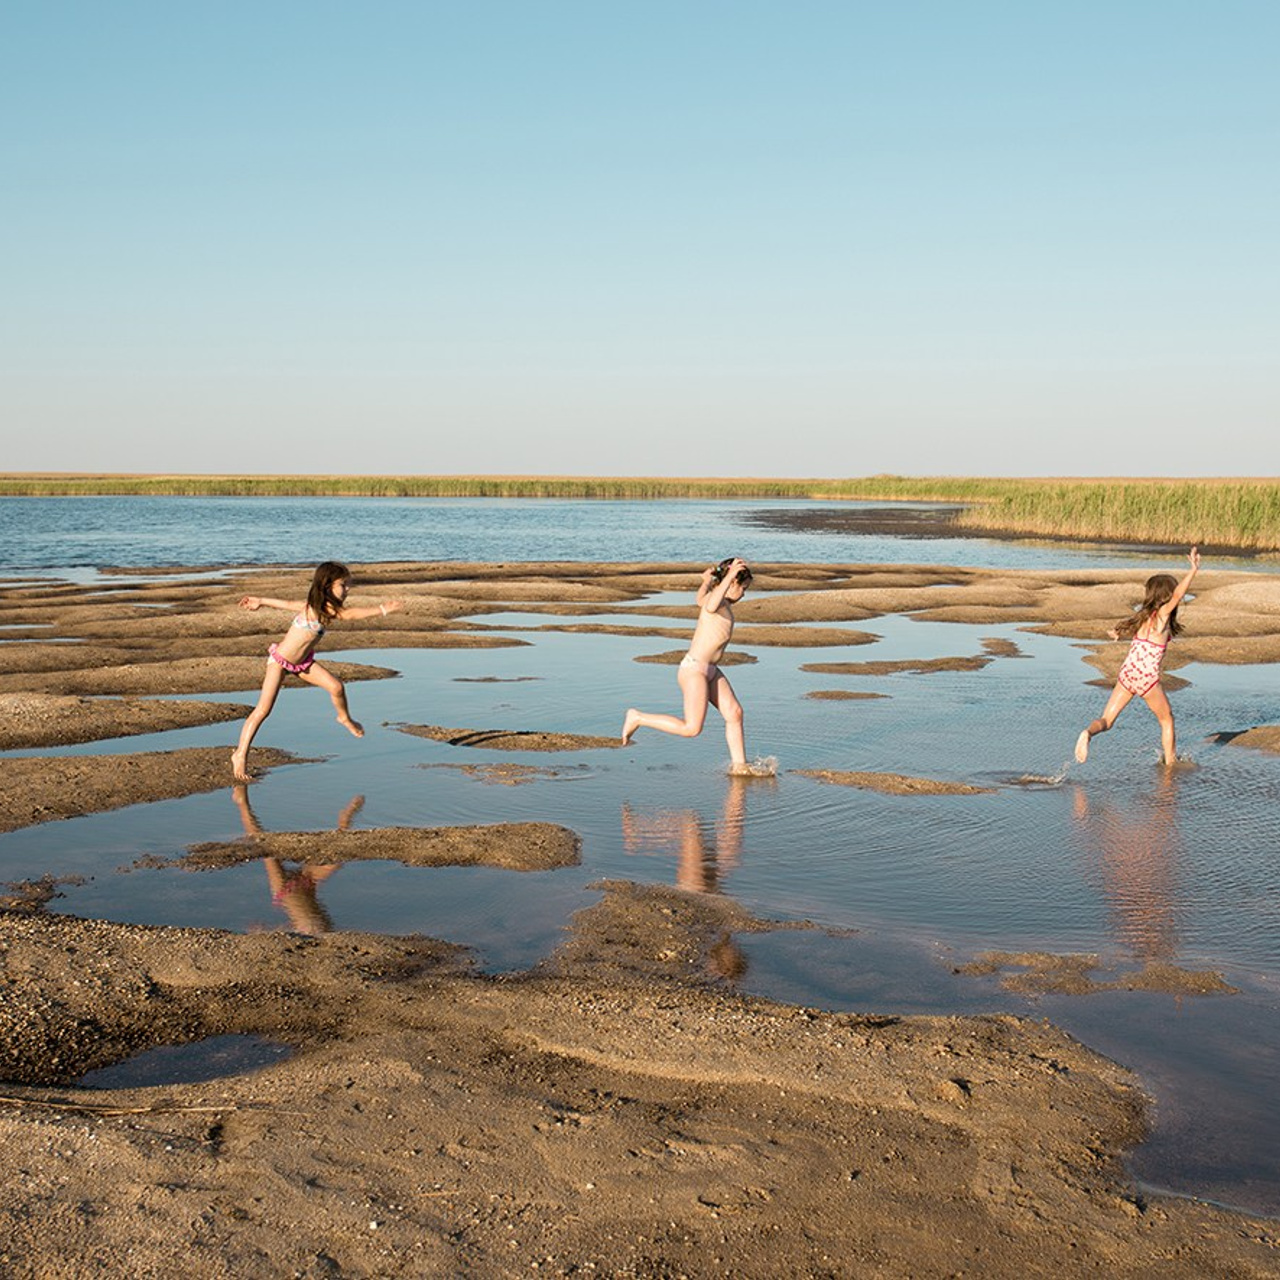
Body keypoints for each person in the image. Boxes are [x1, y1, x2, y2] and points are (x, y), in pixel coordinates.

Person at [231, 561, 404, 782]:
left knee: (336, 687)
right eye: (344, 585)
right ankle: (240, 754)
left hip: (303, 663)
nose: (347, 590)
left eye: (348, 585)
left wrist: (261, 601)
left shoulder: (319, 607)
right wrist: (381, 609)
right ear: (327, 585)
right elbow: (348, 614)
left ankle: (345, 719)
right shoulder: (318, 608)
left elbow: (288, 603)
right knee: (263, 710)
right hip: (279, 662)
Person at [622, 556, 753, 771]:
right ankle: (638, 717)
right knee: (691, 728)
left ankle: (740, 767)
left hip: (710, 670)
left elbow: (700, 600)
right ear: (731, 584)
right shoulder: (717, 602)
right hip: (694, 670)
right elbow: (709, 605)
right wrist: (728, 576)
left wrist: (706, 582)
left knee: (735, 713)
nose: (744, 594)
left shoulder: (721, 600)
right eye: (743, 588)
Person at [1074, 546, 1200, 766]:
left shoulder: (1141, 618)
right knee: (1166, 719)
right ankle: (1170, 765)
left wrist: (1116, 632)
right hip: (1147, 678)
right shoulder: (1160, 618)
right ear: (1167, 597)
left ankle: (1087, 733)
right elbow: (1179, 595)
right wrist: (1193, 570)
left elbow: (1123, 629)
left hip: (1127, 674)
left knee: (1107, 720)